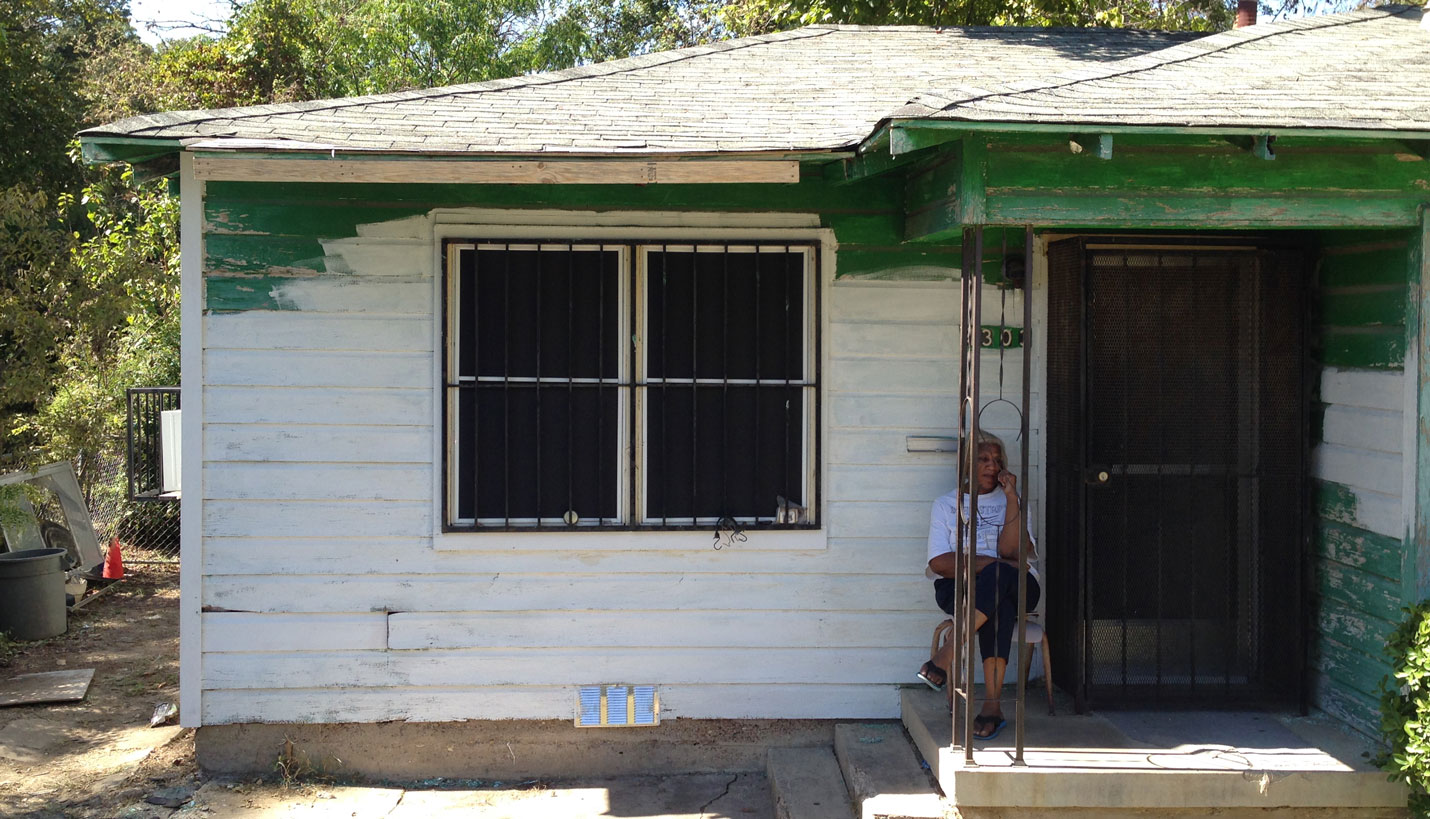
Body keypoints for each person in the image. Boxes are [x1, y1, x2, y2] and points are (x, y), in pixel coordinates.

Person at [918, 432, 1040, 741]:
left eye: (997, 460)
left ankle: (947, 654)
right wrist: (993, 564)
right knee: (998, 599)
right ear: (968, 464)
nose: (991, 465)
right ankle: (992, 708)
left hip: (1018, 585)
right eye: (984, 459)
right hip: (960, 587)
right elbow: (940, 563)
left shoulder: (1013, 500)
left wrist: (1012, 499)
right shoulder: (947, 504)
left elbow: (1015, 553)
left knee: (998, 585)